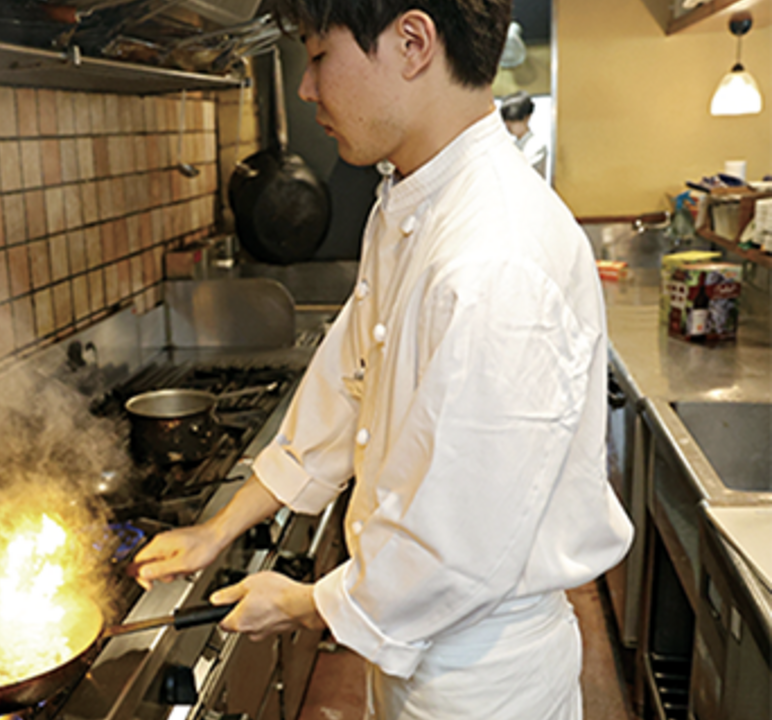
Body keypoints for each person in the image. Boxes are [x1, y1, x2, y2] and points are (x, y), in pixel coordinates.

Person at [132, 2, 634, 718]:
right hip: (417, 655)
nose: (307, 88)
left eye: (319, 56)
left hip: (482, 682)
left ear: (411, 43)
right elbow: (348, 383)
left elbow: (461, 542)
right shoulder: (413, 199)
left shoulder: (497, 255)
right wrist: (222, 525)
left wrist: (309, 604)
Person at [500, 90, 548, 177]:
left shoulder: (536, 146)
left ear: (526, 118)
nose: (508, 125)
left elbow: (520, 174)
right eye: (505, 121)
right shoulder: (511, 145)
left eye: (512, 120)